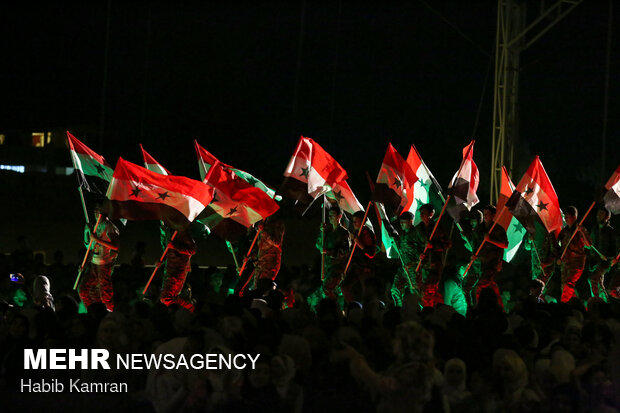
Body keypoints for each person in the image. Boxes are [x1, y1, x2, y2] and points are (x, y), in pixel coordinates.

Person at [79, 208, 119, 312]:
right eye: (95, 210)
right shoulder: (92, 226)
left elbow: (115, 247)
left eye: (99, 210)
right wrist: (87, 232)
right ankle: (92, 311)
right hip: (93, 263)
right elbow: (89, 246)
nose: (97, 212)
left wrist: (98, 240)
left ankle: (108, 313)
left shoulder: (109, 226)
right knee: (83, 289)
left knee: (105, 292)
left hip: (104, 264)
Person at [466, 205, 508, 305]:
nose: (485, 216)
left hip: (491, 264)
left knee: (481, 287)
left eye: (487, 214)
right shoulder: (479, 228)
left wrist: (491, 240)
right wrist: (473, 255)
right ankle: (471, 308)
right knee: (466, 286)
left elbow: (505, 244)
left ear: (493, 215)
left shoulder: (497, 229)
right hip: (478, 263)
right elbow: (474, 244)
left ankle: (481, 307)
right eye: (484, 214)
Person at [414, 204, 450, 307]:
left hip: (435, 264)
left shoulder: (437, 228)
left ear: (431, 214)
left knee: (432, 290)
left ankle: (434, 309)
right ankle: (425, 309)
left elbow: (447, 244)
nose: (421, 215)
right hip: (423, 265)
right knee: (423, 291)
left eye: (423, 213)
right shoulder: (418, 229)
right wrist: (419, 254)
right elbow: (415, 245)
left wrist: (433, 246)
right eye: (420, 213)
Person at [315, 205, 351, 301]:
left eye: (332, 215)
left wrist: (329, 252)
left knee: (326, 290)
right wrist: (321, 232)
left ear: (339, 216)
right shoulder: (328, 231)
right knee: (332, 293)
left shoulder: (343, 233)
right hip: (327, 267)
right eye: (329, 215)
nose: (330, 217)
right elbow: (318, 245)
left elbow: (345, 251)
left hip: (337, 268)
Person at [386, 211, 421, 307]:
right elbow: (400, 247)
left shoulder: (416, 234)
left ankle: (421, 313)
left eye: (403, 222)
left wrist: (411, 264)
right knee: (395, 289)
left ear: (410, 221)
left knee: (416, 294)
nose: (401, 224)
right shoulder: (403, 234)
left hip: (414, 270)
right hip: (403, 268)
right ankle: (399, 309)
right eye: (400, 222)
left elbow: (422, 254)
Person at [340, 210, 377, 303]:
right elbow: (352, 254)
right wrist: (346, 269)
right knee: (344, 287)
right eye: (353, 221)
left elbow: (371, 254)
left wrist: (360, 244)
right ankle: (353, 307)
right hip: (356, 267)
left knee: (367, 293)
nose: (354, 223)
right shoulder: (356, 234)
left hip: (366, 269)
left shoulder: (367, 233)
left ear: (363, 221)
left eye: (356, 221)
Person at [556, 206, 591, 303]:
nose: (566, 219)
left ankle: (564, 304)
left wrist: (582, 231)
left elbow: (589, 244)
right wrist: (559, 257)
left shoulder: (580, 229)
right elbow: (559, 246)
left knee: (569, 284)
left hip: (576, 262)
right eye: (565, 217)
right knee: (564, 286)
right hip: (565, 262)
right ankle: (576, 304)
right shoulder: (564, 231)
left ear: (574, 217)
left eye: (568, 216)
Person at [159, 226, 196, 311]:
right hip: (171, 272)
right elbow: (167, 250)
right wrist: (161, 261)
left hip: (176, 273)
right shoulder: (168, 233)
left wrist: (174, 246)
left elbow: (192, 250)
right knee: (166, 298)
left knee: (165, 298)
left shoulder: (183, 233)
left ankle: (187, 308)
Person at [249, 215, 285, 290]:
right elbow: (260, 246)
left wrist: (263, 231)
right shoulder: (263, 222)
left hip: (268, 263)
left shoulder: (278, 224)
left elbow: (277, 243)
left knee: (260, 288)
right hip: (262, 264)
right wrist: (252, 256)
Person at [588, 207, 616, 301]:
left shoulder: (610, 231)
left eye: (601, 214)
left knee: (593, 278)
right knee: (599, 282)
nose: (598, 216)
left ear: (607, 217)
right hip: (595, 261)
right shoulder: (595, 229)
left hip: (605, 262)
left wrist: (608, 257)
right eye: (598, 213)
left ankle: (596, 301)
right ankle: (605, 301)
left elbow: (614, 248)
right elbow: (590, 244)